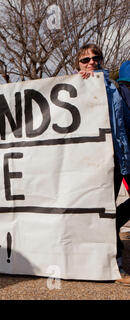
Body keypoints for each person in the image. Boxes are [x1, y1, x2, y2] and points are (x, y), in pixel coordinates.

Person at [75, 45, 130, 279]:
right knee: (99, 211)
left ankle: (114, 227)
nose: (91, 62)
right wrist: (80, 84)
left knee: (109, 216)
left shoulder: (114, 89)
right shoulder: (72, 88)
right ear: (78, 64)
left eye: (95, 58)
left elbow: (125, 121)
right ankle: (116, 265)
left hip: (118, 157)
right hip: (91, 162)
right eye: (85, 59)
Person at [114, 60, 130, 286]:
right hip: (118, 157)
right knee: (106, 207)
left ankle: (113, 223)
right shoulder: (117, 93)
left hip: (124, 157)